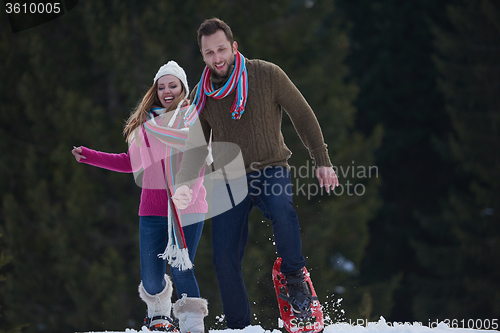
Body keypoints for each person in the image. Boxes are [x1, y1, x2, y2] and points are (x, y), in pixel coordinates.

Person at [172, 18, 339, 329]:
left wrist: (321, 159)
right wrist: (184, 185)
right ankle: (239, 325)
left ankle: (295, 282)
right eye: (209, 53)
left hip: (269, 168)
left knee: (282, 210)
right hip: (226, 180)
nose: (217, 58)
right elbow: (196, 147)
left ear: (234, 47)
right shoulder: (202, 95)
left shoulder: (266, 74)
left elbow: (301, 114)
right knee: (224, 260)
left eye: (221, 49)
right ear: (202, 55)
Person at [72, 61, 208, 333]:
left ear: (182, 88)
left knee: (181, 268)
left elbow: (197, 162)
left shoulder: (193, 121)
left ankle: (192, 325)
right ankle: (159, 314)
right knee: (151, 279)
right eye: (161, 87)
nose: (167, 91)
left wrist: (186, 193)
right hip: (152, 211)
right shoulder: (147, 127)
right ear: (155, 91)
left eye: (172, 85)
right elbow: (130, 163)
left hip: (188, 208)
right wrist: (90, 156)